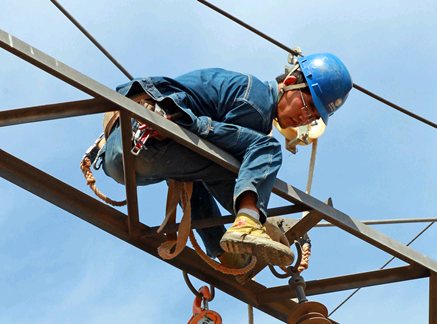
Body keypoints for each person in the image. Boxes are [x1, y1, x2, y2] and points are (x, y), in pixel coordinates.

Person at [100, 54, 352, 268]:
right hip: (145, 131)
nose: (304, 119)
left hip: (124, 153)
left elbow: (219, 171)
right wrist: (260, 221)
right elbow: (228, 170)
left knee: (201, 176)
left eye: (313, 118)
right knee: (268, 148)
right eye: (308, 107)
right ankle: (247, 223)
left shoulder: (252, 103)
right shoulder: (258, 102)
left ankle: (223, 250)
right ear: (289, 83)